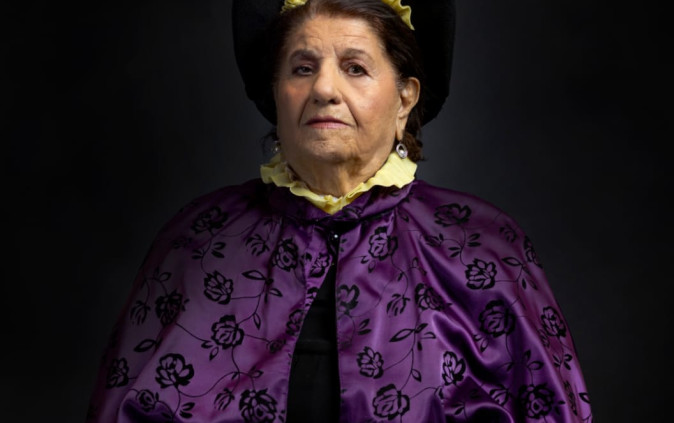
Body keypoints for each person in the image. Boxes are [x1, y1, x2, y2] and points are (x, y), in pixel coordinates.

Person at [86, 0, 593, 421]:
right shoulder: (197, 241)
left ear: (404, 99)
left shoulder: (482, 247)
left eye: (355, 68)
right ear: (277, 93)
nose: (324, 89)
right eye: (303, 68)